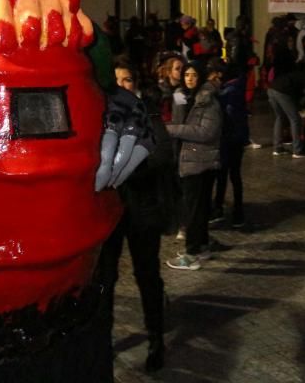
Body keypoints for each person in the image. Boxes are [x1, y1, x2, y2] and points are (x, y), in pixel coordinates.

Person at [97, 62, 173, 372]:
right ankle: (103, 340)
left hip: (142, 208)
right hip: (110, 209)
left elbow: (160, 156)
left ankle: (156, 339)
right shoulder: (102, 114)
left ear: (135, 83)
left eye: (127, 79)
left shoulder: (146, 113)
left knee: (147, 275)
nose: (121, 85)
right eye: (115, 79)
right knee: (106, 277)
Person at [164, 62, 222, 270]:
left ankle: (192, 253)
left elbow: (206, 132)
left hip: (201, 160)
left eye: (193, 75)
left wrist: (173, 129)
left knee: (194, 209)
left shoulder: (209, 101)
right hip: (187, 157)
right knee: (198, 206)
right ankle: (203, 246)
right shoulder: (182, 96)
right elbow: (180, 119)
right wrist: (178, 99)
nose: (189, 78)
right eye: (186, 74)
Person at [210, 59, 248, 228]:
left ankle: (221, 208)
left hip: (229, 139)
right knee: (234, 175)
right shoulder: (237, 88)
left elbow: (228, 115)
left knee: (224, 174)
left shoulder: (228, 92)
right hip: (237, 138)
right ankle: (236, 210)